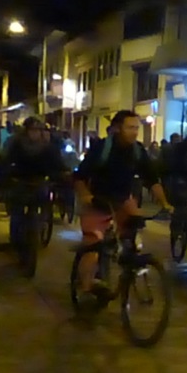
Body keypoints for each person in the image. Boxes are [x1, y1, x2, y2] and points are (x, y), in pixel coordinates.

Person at [73, 111, 172, 299]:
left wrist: (165, 203)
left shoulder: (137, 151)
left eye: (136, 128)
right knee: (93, 245)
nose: (134, 132)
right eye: (130, 127)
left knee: (134, 232)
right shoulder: (102, 148)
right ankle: (86, 288)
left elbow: (151, 179)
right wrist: (86, 195)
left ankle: (127, 265)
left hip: (123, 199)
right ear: (118, 129)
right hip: (98, 201)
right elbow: (79, 176)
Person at [2, 117, 66, 244]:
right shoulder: (16, 144)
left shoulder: (48, 147)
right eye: (32, 130)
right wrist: (7, 173)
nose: (35, 133)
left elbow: (57, 163)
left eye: (37, 130)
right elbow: (6, 160)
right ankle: (15, 237)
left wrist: (62, 173)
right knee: (17, 211)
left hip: (40, 181)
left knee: (45, 202)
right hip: (21, 181)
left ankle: (42, 223)